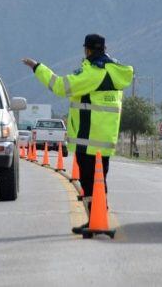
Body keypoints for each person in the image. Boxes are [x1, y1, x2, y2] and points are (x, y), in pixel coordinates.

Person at [22, 33, 133, 233]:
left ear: (88, 50)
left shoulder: (93, 74)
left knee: (90, 183)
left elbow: (60, 86)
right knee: (99, 181)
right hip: (105, 139)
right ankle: (96, 218)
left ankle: (95, 220)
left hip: (88, 138)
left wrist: (37, 67)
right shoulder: (113, 71)